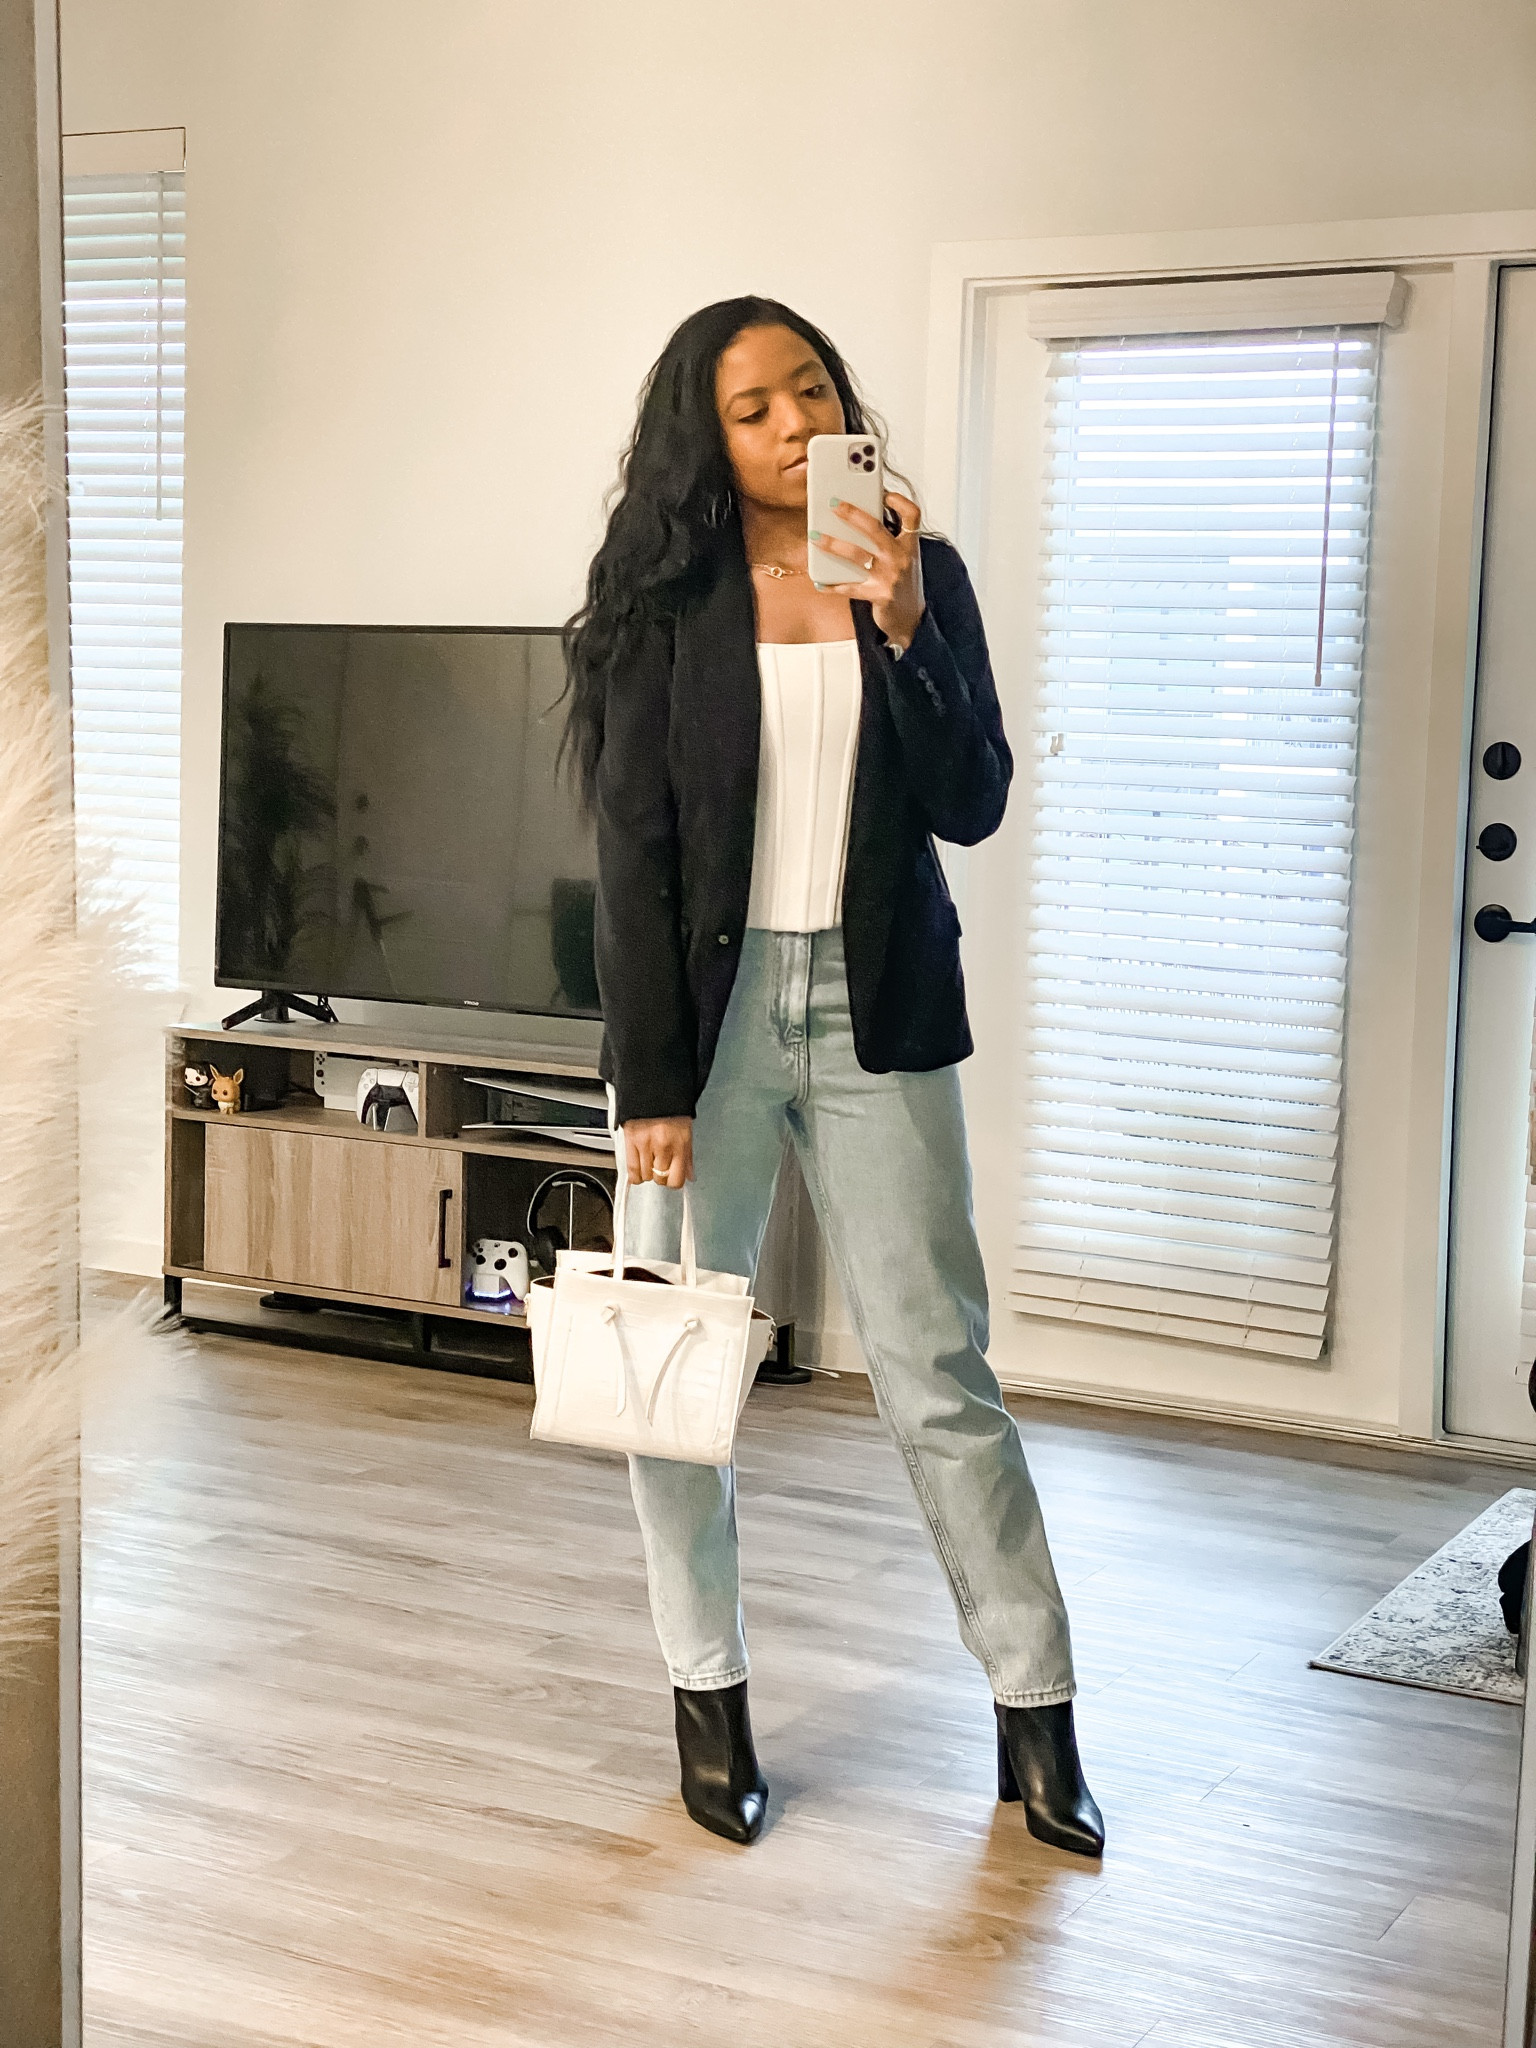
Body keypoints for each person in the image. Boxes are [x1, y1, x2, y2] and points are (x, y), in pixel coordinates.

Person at [561, 297, 1103, 1858]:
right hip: (708, 1037)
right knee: (676, 1382)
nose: (795, 424)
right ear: (707, 443)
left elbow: (976, 801)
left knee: (940, 1374)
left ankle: (1038, 1720)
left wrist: (909, 623)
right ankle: (707, 1704)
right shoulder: (658, 610)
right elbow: (633, 860)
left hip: (880, 1014)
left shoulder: (920, 584)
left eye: (812, 390)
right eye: (755, 409)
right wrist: (652, 1082)